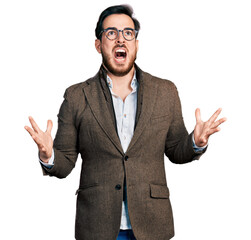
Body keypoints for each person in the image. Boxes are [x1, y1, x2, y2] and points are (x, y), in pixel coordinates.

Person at [25, 4, 226, 240]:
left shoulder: (165, 91)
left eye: (128, 33)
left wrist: (195, 141)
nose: (120, 39)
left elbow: (175, 151)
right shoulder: (77, 96)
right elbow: (65, 163)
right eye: (111, 33)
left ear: (136, 44)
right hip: (97, 225)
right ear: (99, 44)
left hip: (152, 224)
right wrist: (48, 155)